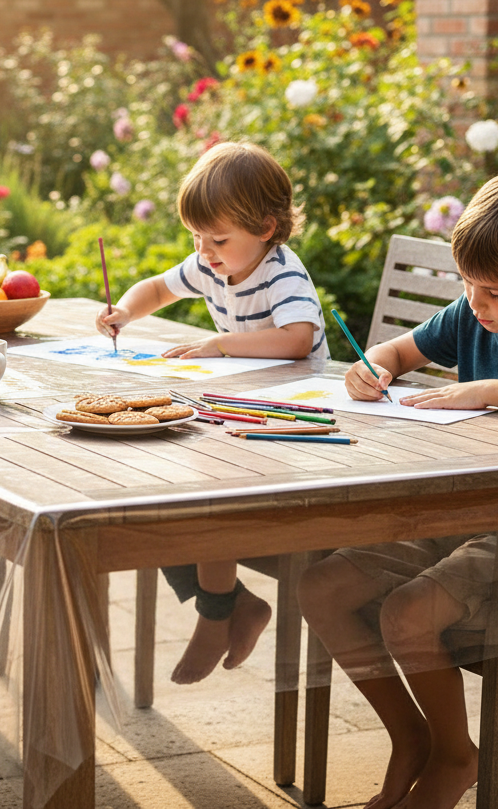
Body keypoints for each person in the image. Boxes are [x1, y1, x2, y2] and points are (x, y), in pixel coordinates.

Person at [297, 170, 498, 809]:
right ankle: (411, 738)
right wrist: (374, 370)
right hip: (462, 517)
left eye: (494, 291)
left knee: (407, 613)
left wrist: (487, 390)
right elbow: (392, 352)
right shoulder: (471, 313)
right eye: (467, 285)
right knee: (324, 587)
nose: (476, 304)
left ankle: (456, 755)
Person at [96, 141, 328, 683]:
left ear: (267, 229)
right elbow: (157, 287)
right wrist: (125, 310)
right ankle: (236, 605)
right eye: (197, 237)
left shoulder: (281, 273)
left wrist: (220, 345)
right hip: (239, 411)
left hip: (293, 419)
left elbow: (297, 340)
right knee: (155, 498)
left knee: (204, 497)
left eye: (218, 239)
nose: (205, 251)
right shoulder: (213, 264)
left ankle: (216, 614)